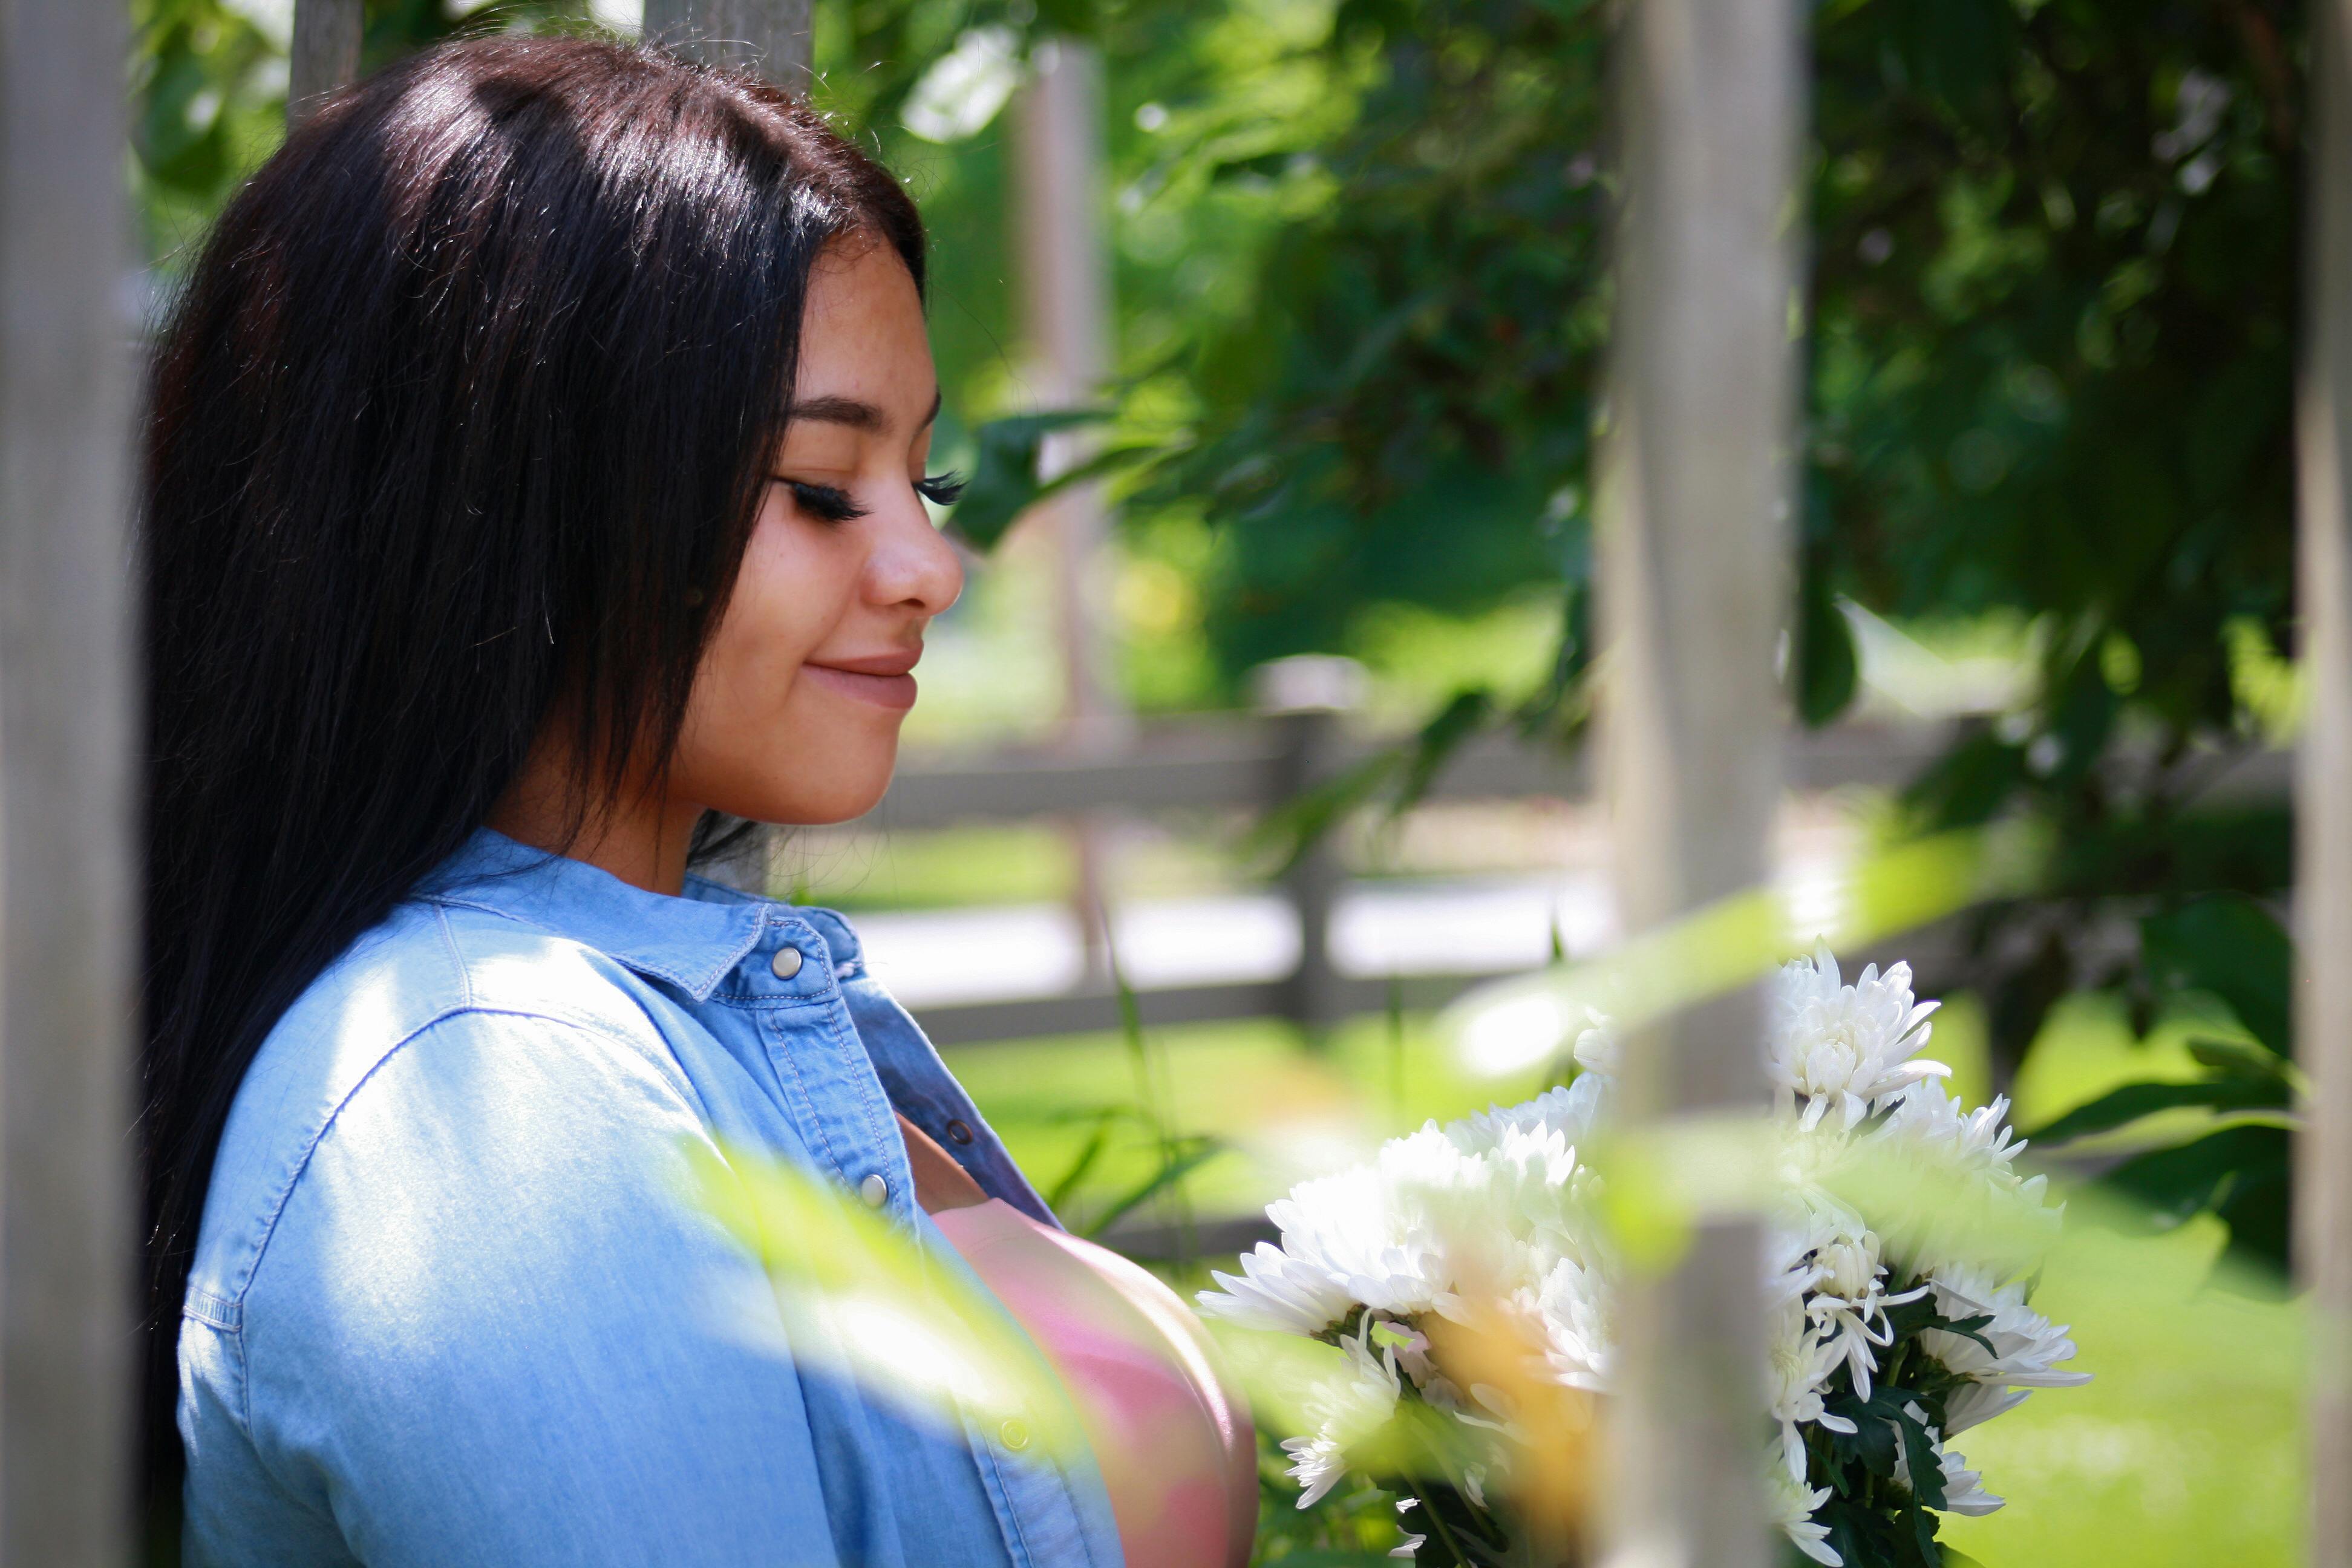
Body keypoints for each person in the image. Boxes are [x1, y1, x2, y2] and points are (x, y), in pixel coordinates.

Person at [142, 36, 1250, 1567]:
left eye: (919, 485)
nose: (930, 566)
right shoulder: (488, 1100)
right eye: (817, 488)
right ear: (520, 490)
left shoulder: (677, 1009)